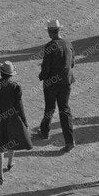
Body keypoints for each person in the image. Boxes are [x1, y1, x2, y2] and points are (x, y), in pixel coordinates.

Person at [0, 60, 31, 184]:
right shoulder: (15, 87)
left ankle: (0, 176)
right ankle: (9, 163)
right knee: (11, 139)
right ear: (11, 74)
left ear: (0, 72)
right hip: (11, 117)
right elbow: (19, 106)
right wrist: (25, 122)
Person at [36, 18, 74, 150]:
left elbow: (46, 68)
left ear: (50, 32)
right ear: (59, 30)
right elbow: (72, 63)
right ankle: (69, 141)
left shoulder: (49, 46)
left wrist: (41, 76)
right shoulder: (68, 43)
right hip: (66, 81)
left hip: (52, 83)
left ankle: (44, 131)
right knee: (64, 109)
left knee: (50, 107)